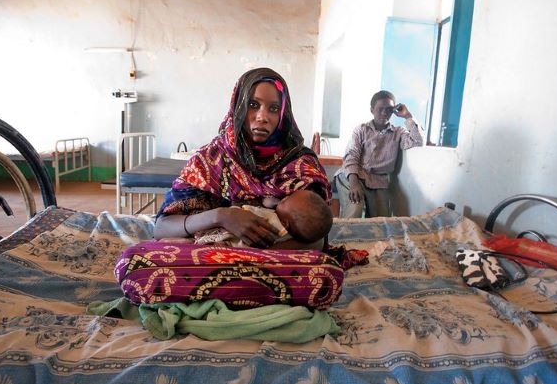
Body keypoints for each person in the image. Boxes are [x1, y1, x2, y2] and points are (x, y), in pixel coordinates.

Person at [154, 67, 332, 250]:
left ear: (283, 113)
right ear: (238, 107)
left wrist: (244, 253)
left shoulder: (302, 165)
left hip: (257, 264)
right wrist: (223, 216)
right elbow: (162, 228)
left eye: (274, 108)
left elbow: (316, 239)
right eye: (253, 105)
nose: (263, 117)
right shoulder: (208, 161)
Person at [334, 90, 424, 218]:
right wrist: (354, 184)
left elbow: (418, 141)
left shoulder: (398, 133)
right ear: (372, 110)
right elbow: (351, 157)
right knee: (355, 207)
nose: (384, 113)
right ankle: (347, 236)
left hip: (378, 182)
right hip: (353, 175)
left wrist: (407, 116)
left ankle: (371, 238)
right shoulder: (361, 130)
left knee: (382, 219)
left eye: (388, 110)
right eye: (380, 109)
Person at [194, 190, 333, 250]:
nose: (282, 199)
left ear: (285, 223)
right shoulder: (290, 218)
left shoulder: (271, 223)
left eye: (284, 201)